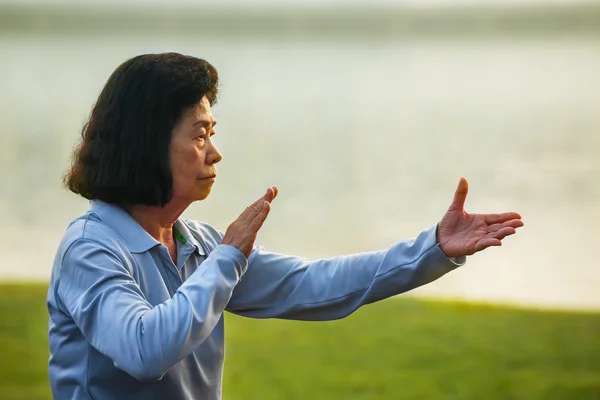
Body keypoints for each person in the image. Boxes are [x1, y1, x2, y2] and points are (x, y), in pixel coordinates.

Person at [47, 52, 523, 400]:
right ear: (147, 143)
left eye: (213, 134)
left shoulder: (199, 245)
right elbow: (144, 350)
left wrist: (433, 249)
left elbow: (312, 286)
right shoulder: (90, 248)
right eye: (199, 135)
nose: (214, 152)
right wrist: (229, 258)